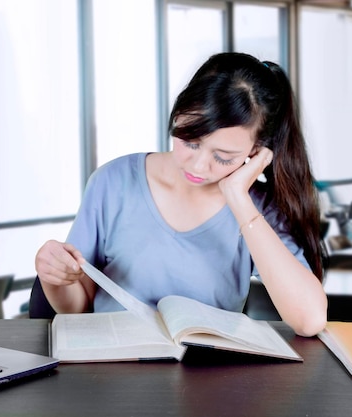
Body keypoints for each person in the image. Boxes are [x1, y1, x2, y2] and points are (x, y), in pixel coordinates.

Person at [35, 52, 327, 337]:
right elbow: (77, 307)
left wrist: (238, 198)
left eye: (224, 156)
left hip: (208, 376)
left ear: (256, 150)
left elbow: (309, 320)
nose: (199, 166)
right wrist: (54, 277)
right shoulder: (113, 182)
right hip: (116, 371)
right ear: (177, 115)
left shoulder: (259, 208)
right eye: (190, 141)